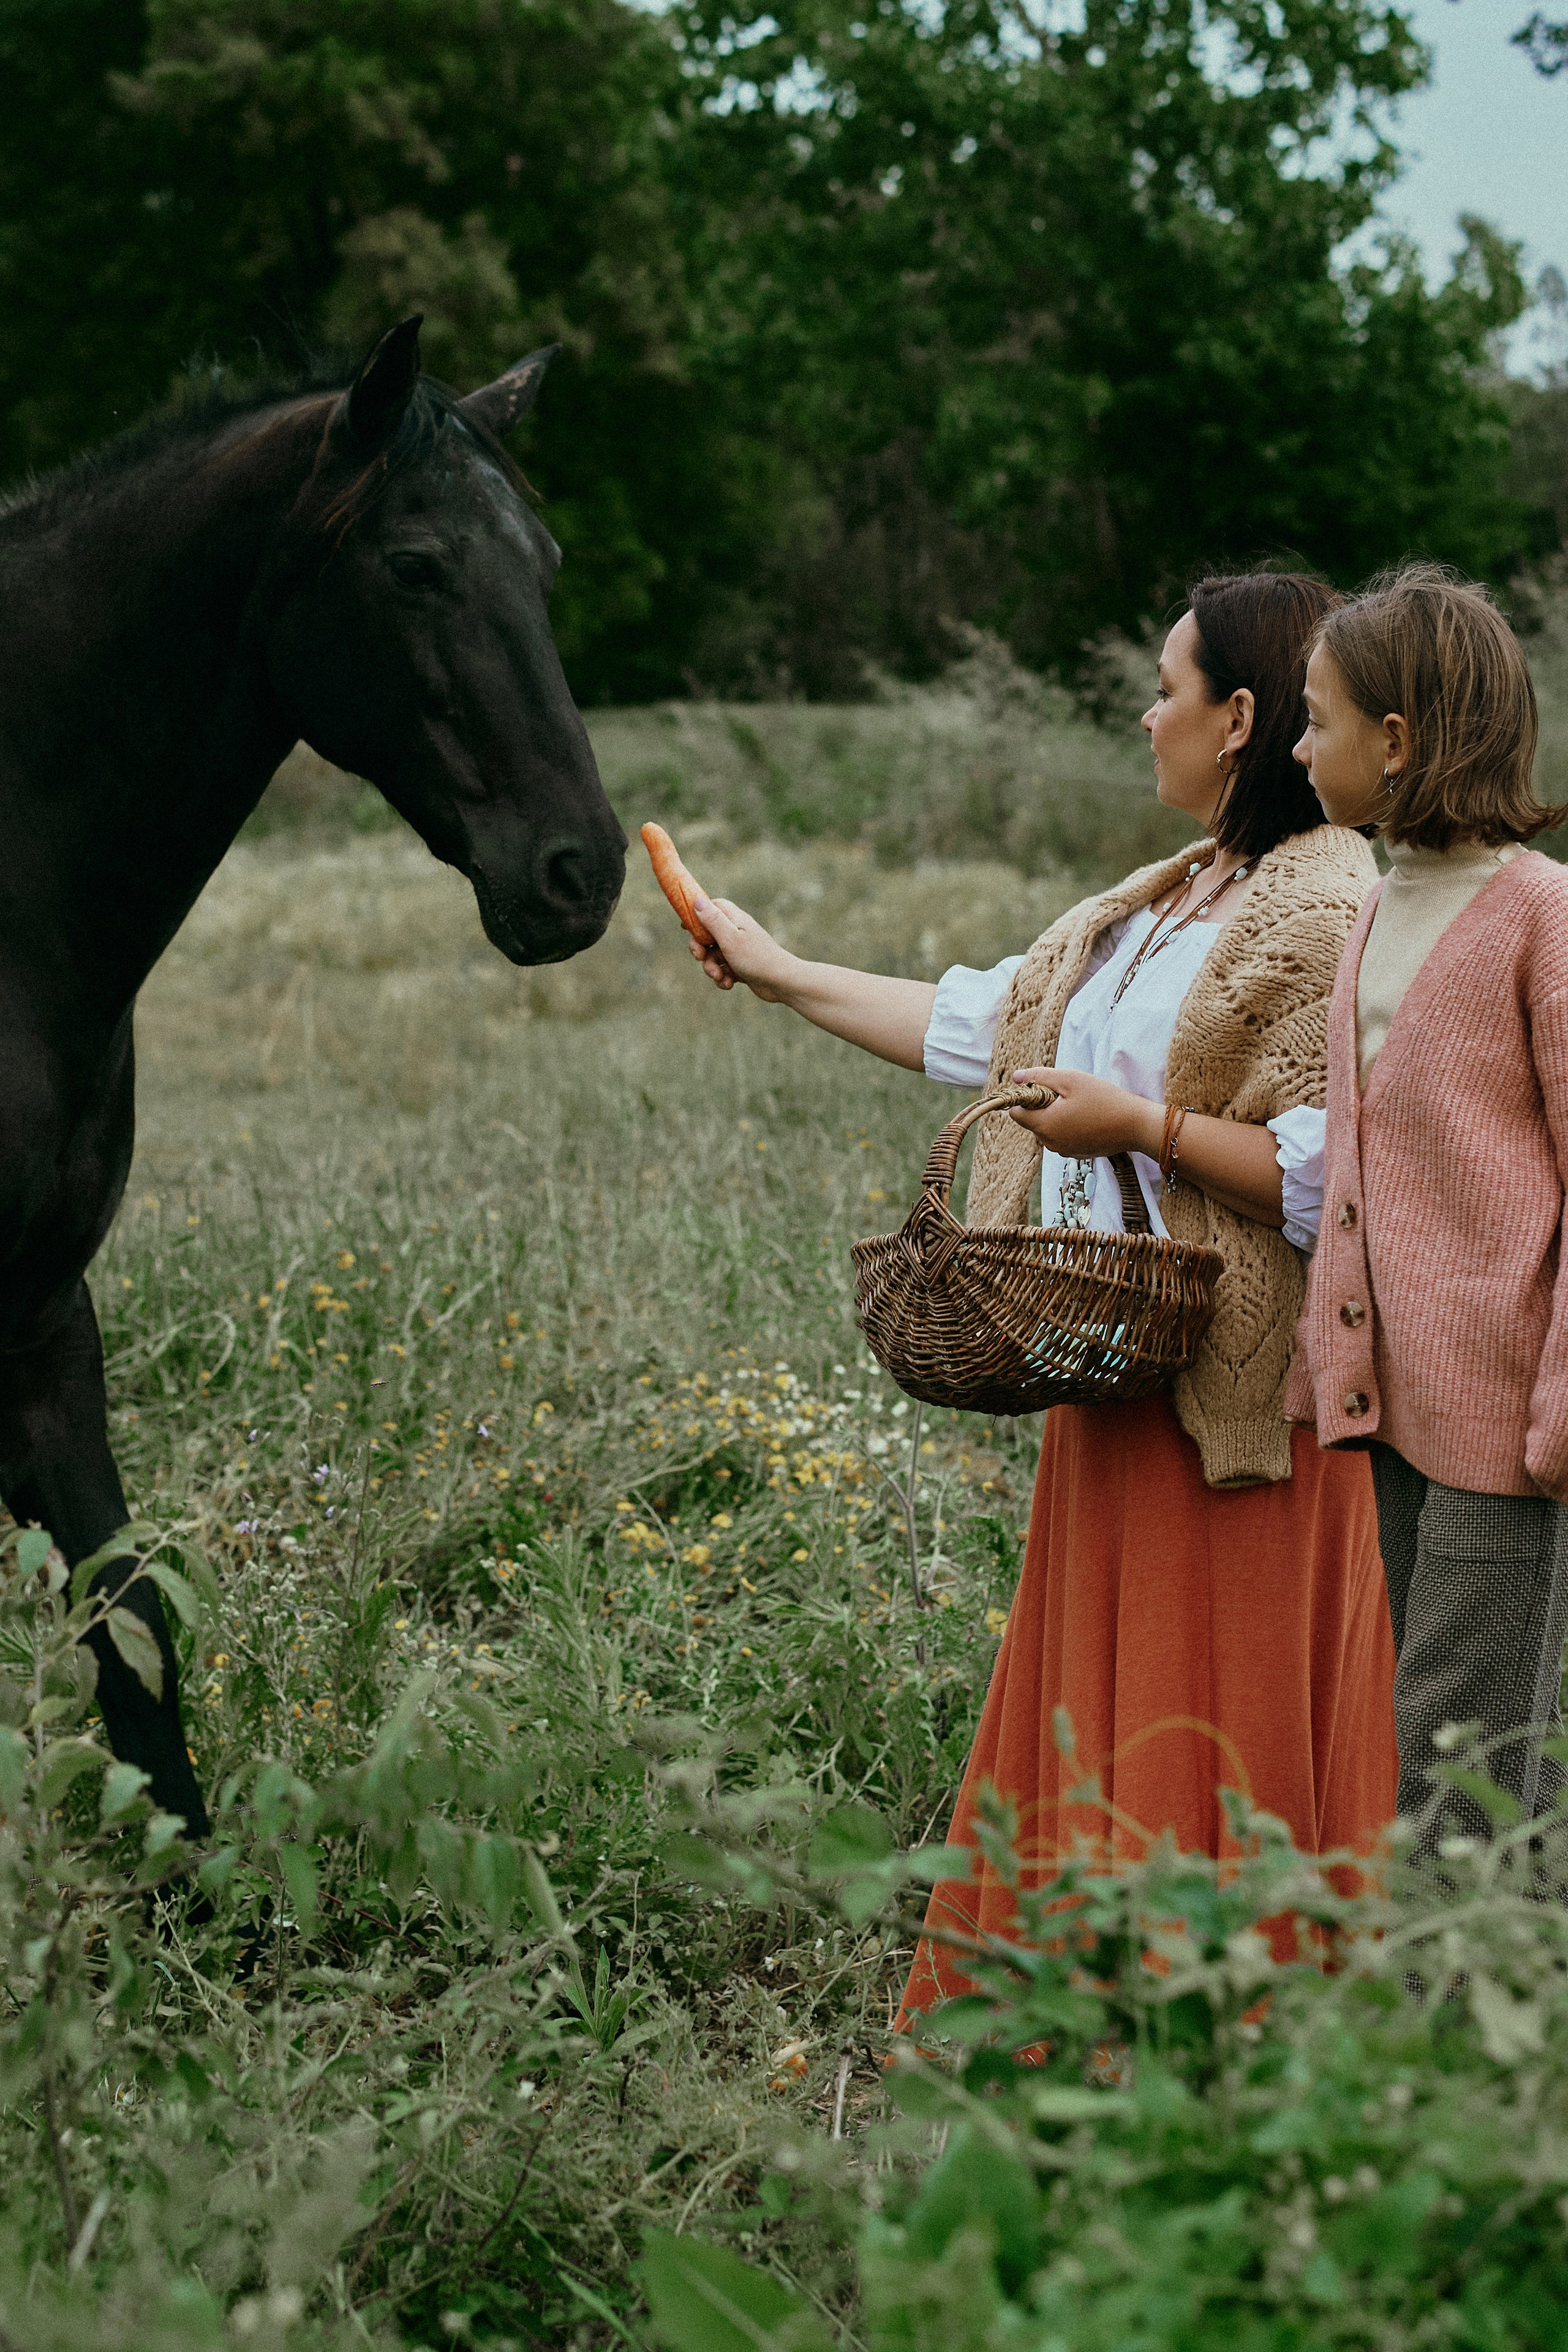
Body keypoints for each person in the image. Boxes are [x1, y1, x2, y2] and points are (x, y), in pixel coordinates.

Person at [687, 571, 1398, 2009]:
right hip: (1119, 1375)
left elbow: (1338, 1174)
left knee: (1229, 1725)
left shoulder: (1328, 906)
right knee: (1110, 1718)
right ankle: (1089, 2033)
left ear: (1239, 717)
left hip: (1248, 1406)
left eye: (1163, 686)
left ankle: (1243, 2053)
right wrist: (775, 971)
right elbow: (977, 1024)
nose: (1144, 716)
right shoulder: (1154, 904)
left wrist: (1140, 1130)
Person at [1287, 562, 1568, 1853]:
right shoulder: (1375, 905)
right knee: (1469, 1741)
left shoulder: (1538, 916)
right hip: (1393, 1404)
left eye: (1315, 719)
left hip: (1511, 1423)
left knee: (1459, 1772)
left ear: (1394, 742)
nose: (1296, 748)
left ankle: (1435, 2041)